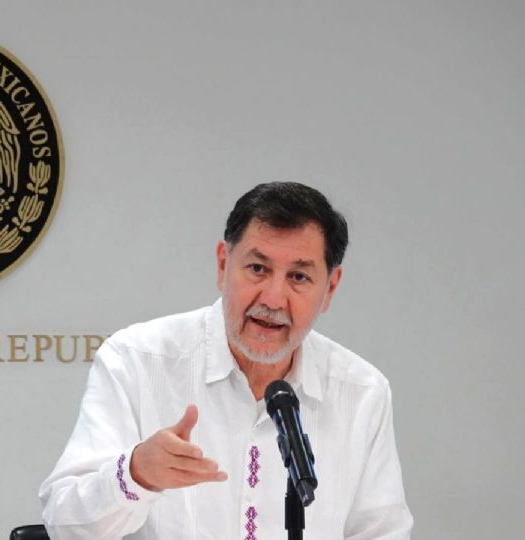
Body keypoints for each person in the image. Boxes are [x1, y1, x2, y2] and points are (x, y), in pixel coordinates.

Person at [39, 182, 413, 539]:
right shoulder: (135, 361)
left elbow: (381, 533)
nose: (273, 298)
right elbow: (66, 526)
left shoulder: (362, 392)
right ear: (223, 265)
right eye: (257, 269)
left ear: (330, 288)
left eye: (298, 276)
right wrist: (137, 475)